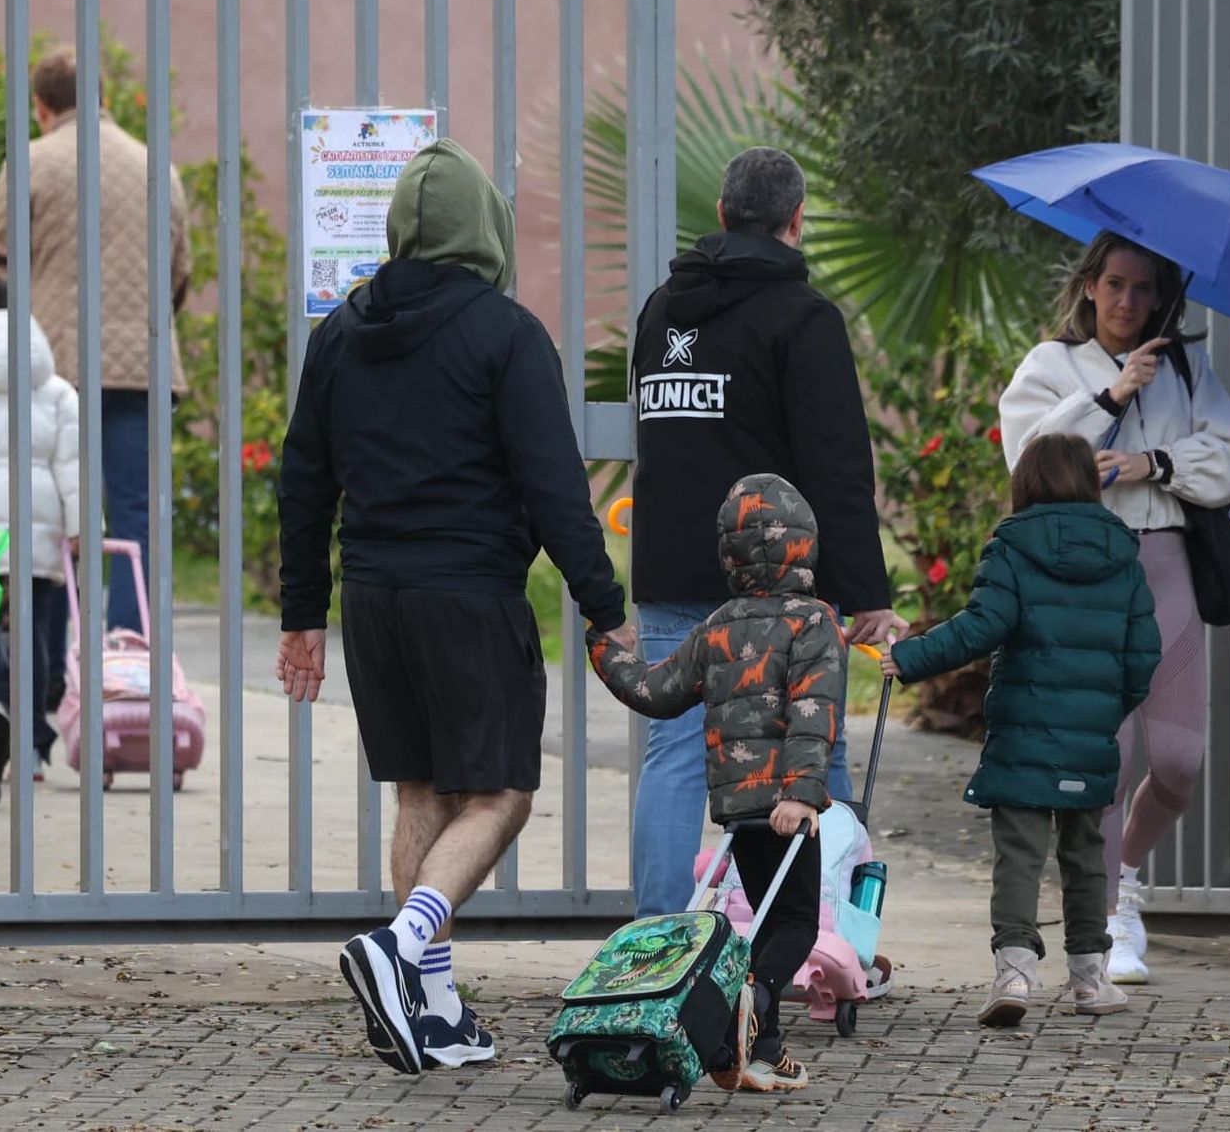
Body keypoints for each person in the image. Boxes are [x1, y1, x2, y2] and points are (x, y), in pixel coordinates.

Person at [275, 138, 636, 1074]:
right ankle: (402, 946)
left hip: (375, 600)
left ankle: (426, 1011)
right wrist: (606, 606)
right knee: (503, 793)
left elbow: (302, 482)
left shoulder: (339, 332)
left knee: (424, 789)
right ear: (485, 229)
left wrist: (303, 614)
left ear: (399, 229)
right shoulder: (506, 333)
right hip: (469, 594)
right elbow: (556, 488)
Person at [627, 145, 905, 923]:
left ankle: (656, 941)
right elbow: (838, 466)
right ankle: (829, 937)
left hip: (674, 565)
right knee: (818, 746)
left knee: (676, 751)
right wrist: (866, 595)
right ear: (797, 221)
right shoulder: (804, 320)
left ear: (720, 215)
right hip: (782, 580)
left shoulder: (660, 310)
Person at [998, 230, 1230, 984]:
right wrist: (1109, 395)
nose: (1127, 301)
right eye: (1114, 284)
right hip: (1086, 572)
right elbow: (1029, 458)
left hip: (1169, 561)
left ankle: (1129, 869)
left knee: (1179, 762)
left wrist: (1155, 463)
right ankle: (1108, 917)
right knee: (1102, 760)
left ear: (1161, 297)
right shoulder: (1051, 365)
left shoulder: (1186, 366)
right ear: (1088, 285)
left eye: (1144, 289)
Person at [881, 435, 1161, 1025]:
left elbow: (982, 626)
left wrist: (910, 658)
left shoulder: (1011, 546)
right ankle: (1090, 980)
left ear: (1026, 483)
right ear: (1089, 482)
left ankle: (1014, 974)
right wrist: (1107, 711)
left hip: (1024, 732)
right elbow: (1143, 656)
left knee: (1019, 855)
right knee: (1086, 854)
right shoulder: (1123, 555)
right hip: (1090, 735)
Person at [588, 473, 842, 1093]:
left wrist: (604, 649)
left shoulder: (718, 624)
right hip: (785, 799)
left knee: (765, 913)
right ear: (803, 545)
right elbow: (814, 711)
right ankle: (749, 995)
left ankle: (762, 1048)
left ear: (728, 555)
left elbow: (658, 690)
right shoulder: (815, 622)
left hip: (736, 803)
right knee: (795, 924)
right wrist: (802, 791)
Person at [0, 45, 191, 636]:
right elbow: (178, 271)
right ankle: (130, 643)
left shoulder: (30, 163)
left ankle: (40, 654)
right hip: (140, 368)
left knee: (39, 510)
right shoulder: (158, 166)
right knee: (136, 514)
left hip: (53, 364)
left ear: (42, 108)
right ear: (103, 99)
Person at [0, 275, 79, 779]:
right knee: (34, 636)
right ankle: (31, 746)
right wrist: (80, 529)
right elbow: (73, 468)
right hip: (39, 531)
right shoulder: (56, 391)